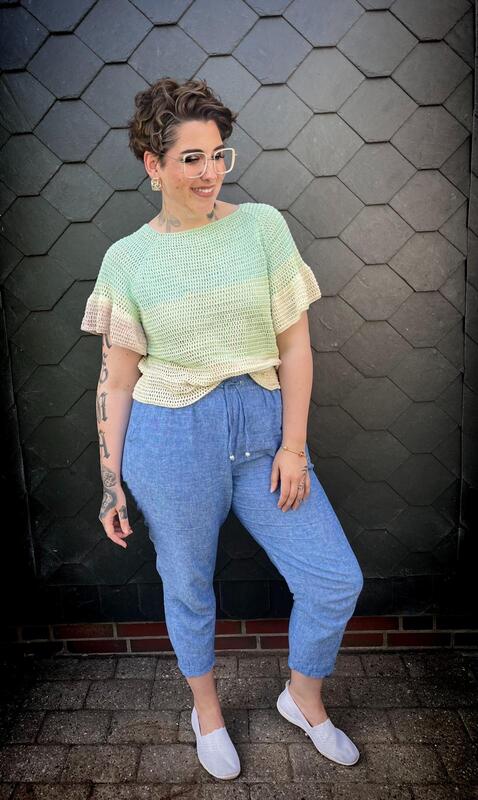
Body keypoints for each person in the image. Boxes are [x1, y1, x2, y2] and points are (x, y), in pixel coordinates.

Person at [80, 77, 364, 780]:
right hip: (171, 439)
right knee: (187, 585)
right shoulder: (127, 259)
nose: (210, 172)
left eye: (218, 155)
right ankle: (206, 712)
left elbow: (295, 347)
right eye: (191, 159)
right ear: (153, 164)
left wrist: (293, 446)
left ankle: (303, 698)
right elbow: (117, 381)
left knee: (334, 579)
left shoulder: (262, 227)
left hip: (264, 431)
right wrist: (111, 482)